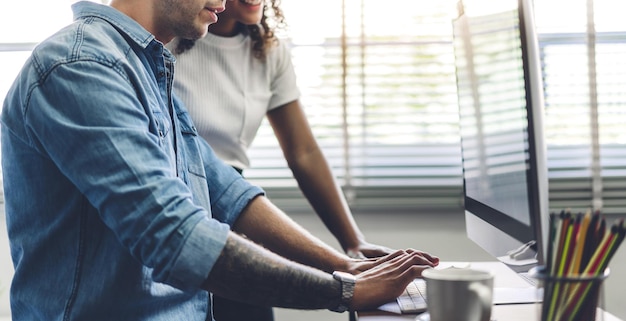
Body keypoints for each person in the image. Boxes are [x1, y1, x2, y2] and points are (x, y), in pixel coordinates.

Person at [0, 0, 439, 320]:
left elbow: (226, 192)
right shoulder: (81, 65)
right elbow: (172, 235)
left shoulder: (148, 67)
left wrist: (343, 263)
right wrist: (343, 291)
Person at [168, 2, 399, 318]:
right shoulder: (165, 43)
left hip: (234, 212)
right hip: (176, 209)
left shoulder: (267, 51)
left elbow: (303, 151)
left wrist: (352, 242)